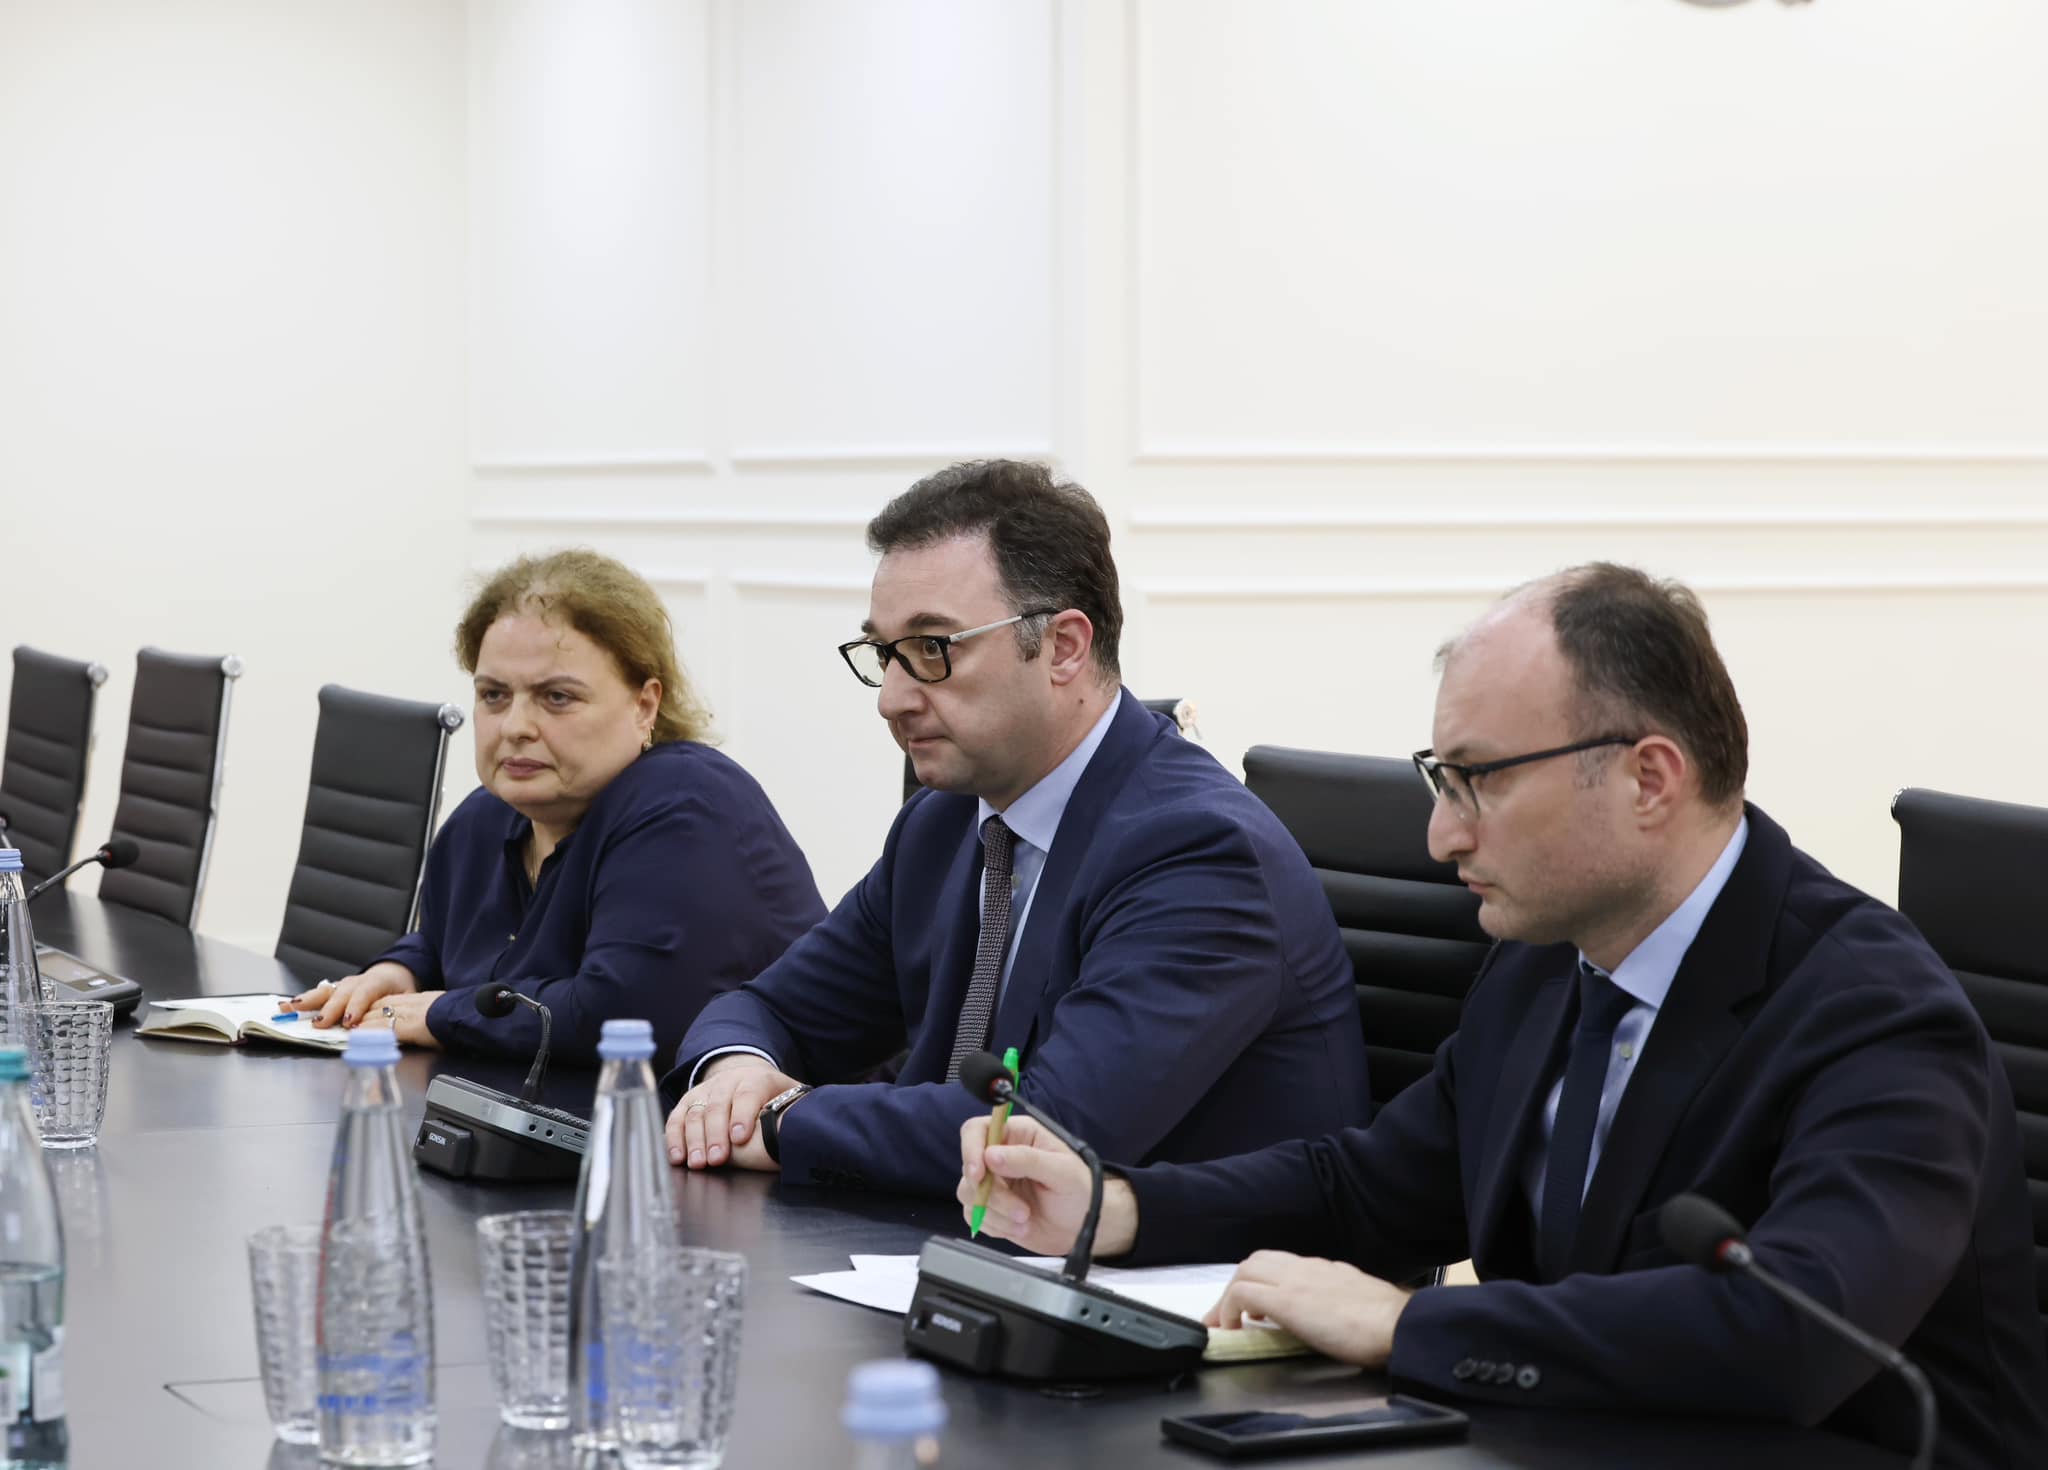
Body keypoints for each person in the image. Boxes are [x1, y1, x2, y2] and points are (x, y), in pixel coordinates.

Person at [958, 563, 2048, 1470]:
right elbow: (1371, 1187)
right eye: (1441, 779)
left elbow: (1794, 1335)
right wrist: (1119, 1208)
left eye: (1477, 780)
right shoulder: (1546, 959)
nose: (1442, 836)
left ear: (1649, 779)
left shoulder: (1873, 1012)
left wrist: (1407, 1324)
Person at [663, 459, 1370, 1196]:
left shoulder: (1198, 852)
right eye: (884, 654)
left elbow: (1045, 1131)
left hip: (1188, 1264)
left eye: (933, 649)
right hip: (962, 1239)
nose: (892, 699)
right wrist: (735, 1073)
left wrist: (783, 1120)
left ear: (1064, 647)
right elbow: (768, 1008)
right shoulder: (942, 824)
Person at [290, 549, 826, 1063]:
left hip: (711, 1122)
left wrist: (437, 1014)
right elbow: (442, 943)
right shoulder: (484, 817)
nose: (515, 727)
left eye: (557, 697)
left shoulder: (688, 804)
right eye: (494, 695)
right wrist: (399, 973)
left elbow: (619, 1013)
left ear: (644, 706)